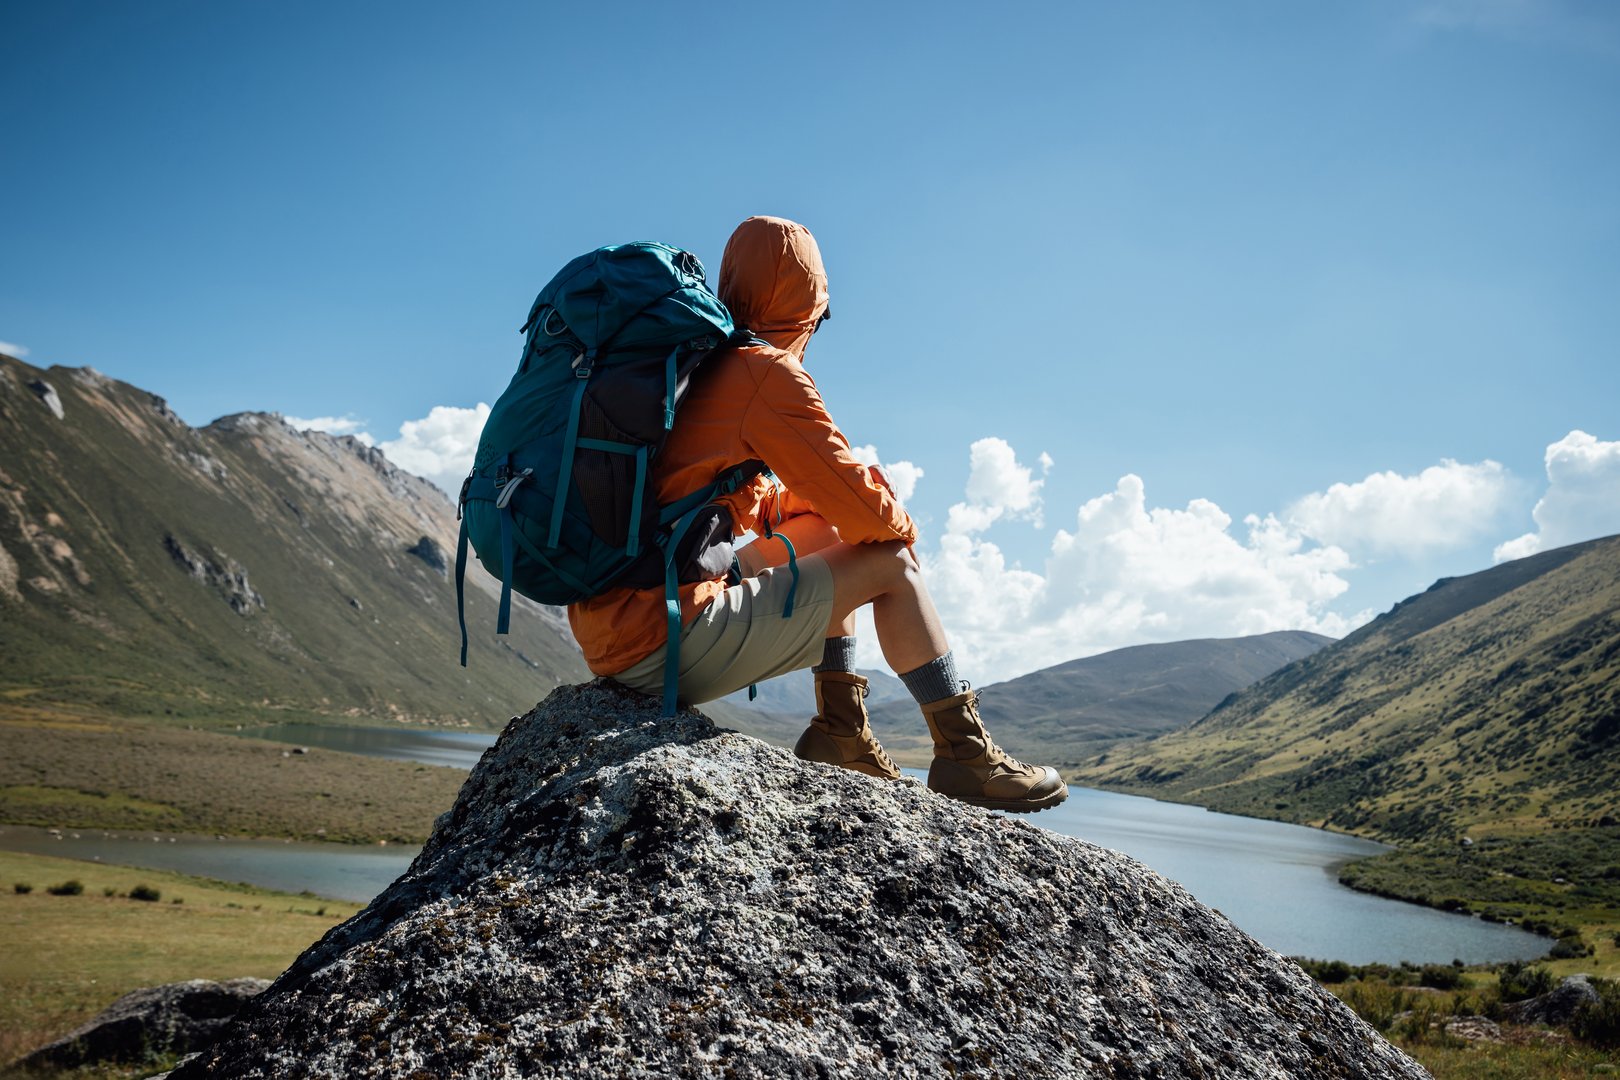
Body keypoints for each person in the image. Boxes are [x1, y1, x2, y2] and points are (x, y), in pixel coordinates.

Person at [567, 216, 1066, 813]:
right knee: (891, 563)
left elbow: (724, 498)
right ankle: (965, 757)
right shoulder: (765, 374)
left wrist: (833, 506)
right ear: (806, 308)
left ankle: (841, 732)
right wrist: (898, 525)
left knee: (831, 531)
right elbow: (870, 522)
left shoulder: (693, 362)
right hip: (660, 639)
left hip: (616, 621)